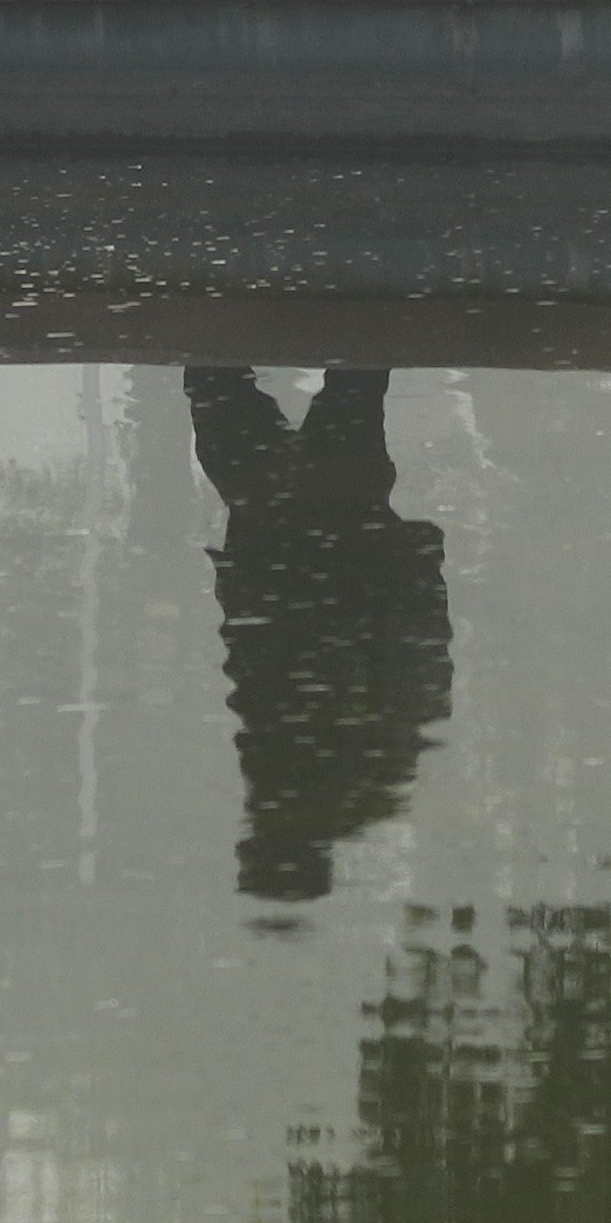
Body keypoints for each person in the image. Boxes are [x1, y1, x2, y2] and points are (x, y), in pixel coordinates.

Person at [187, 366, 451, 904]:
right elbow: (418, 657)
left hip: (305, 529)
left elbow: (423, 660)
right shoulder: (361, 773)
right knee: (228, 379)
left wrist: (419, 561)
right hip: (315, 530)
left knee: (335, 378)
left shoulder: (370, 777)